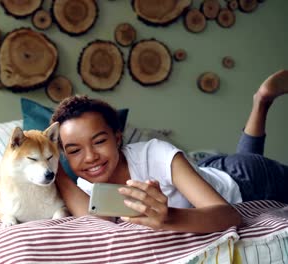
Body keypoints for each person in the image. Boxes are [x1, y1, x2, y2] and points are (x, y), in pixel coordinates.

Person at [52, 70, 288, 233]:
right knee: (241, 157)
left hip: (244, 179)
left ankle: (262, 100)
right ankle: (262, 102)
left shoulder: (154, 154)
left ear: (117, 137)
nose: (90, 157)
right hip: (206, 169)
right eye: (74, 150)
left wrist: (168, 218)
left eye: (99, 141)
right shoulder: (87, 186)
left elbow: (229, 216)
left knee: (250, 161)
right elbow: (96, 222)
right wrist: (55, 168)